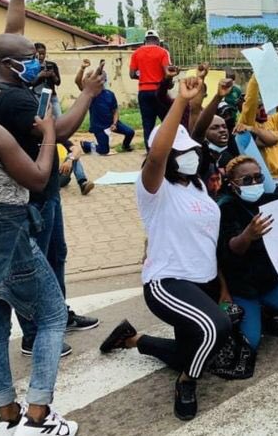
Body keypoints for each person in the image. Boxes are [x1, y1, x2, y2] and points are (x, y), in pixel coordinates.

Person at [99, 77, 230, 422]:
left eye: (193, 153)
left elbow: (199, 134)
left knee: (192, 350)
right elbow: (156, 156)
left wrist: (211, 99)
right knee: (216, 328)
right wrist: (180, 103)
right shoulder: (155, 190)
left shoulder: (199, 187)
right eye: (181, 153)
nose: (190, 157)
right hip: (168, 283)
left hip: (203, 282)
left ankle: (132, 338)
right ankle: (186, 383)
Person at [0, 56, 78, 436]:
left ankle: (8, 416)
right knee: (51, 317)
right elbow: (36, 177)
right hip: (8, 234)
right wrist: (48, 132)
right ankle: (38, 416)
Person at [0, 0, 101, 358]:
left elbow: (12, 29)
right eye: (29, 58)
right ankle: (35, 334)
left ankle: (58, 315)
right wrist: (87, 93)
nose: (37, 62)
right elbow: (63, 130)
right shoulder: (15, 99)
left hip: (45, 193)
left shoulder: (1, 77)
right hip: (32, 198)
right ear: (8, 63)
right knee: (36, 265)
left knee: (56, 257)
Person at [217, 156, 278, 350]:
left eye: (258, 178)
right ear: (232, 183)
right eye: (246, 180)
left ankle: (267, 311)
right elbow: (230, 250)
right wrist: (248, 235)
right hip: (243, 287)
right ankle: (256, 314)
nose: (254, 183)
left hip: (270, 281)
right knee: (249, 343)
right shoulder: (224, 208)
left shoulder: (271, 201)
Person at [74, 60, 136, 154]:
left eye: (104, 78)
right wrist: (82, 68)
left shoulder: (109, 94)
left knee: (130, 132)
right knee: (104, 150)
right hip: (99, 127)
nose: (102, 80)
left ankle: (125, 146)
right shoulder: (90, 93)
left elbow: (115, 111)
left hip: (112, 123)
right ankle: (86, 145)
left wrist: (115, 124)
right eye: (100, 77)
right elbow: (78, 81)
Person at [189, 77, 237, 197]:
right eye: (215, 128)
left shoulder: (233, 150)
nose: (222, 131)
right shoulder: (202, 155)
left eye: (223, 127)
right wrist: (218, 97)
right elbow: (196, 119)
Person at [130, 29, 171, 149]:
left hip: (143, 92)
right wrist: (168, 83)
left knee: (147, 124)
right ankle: (170, 149)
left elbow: (132, 74)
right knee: (168, 122)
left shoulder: (136, 53)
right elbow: (167, 72)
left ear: (145, 41)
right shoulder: (163, 52)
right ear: (158, 41)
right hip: (159, 92)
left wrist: (144, 76)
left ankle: (150, 152)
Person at [32, 42, 61, 118]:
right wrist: (39, 75)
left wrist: (53, 75)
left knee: (58, 118)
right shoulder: (31, 66)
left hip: (52, 96)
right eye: (39, 54)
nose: (41, 56)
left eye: (43, 54)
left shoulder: (52, 65)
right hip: (38, 96)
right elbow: (29, 83)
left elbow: (58, 82)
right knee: (41, 117)